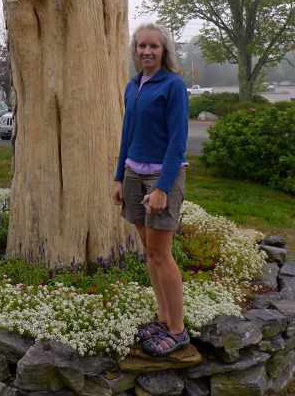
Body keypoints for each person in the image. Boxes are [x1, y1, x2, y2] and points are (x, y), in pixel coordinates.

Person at [113, 22, 190, 357]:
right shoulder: (133, 86)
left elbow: (177, 142)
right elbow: (126, 136)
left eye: (153, 47)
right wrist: (119, 177)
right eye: (141, 46)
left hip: (163, 177)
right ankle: (163, 318)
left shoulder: (173, 86)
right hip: (132, 174)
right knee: (150, 251)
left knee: (161, 252)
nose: (147, 51)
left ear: (164, 51)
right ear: (135, 50)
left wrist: (161, 189)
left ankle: (178, 329)